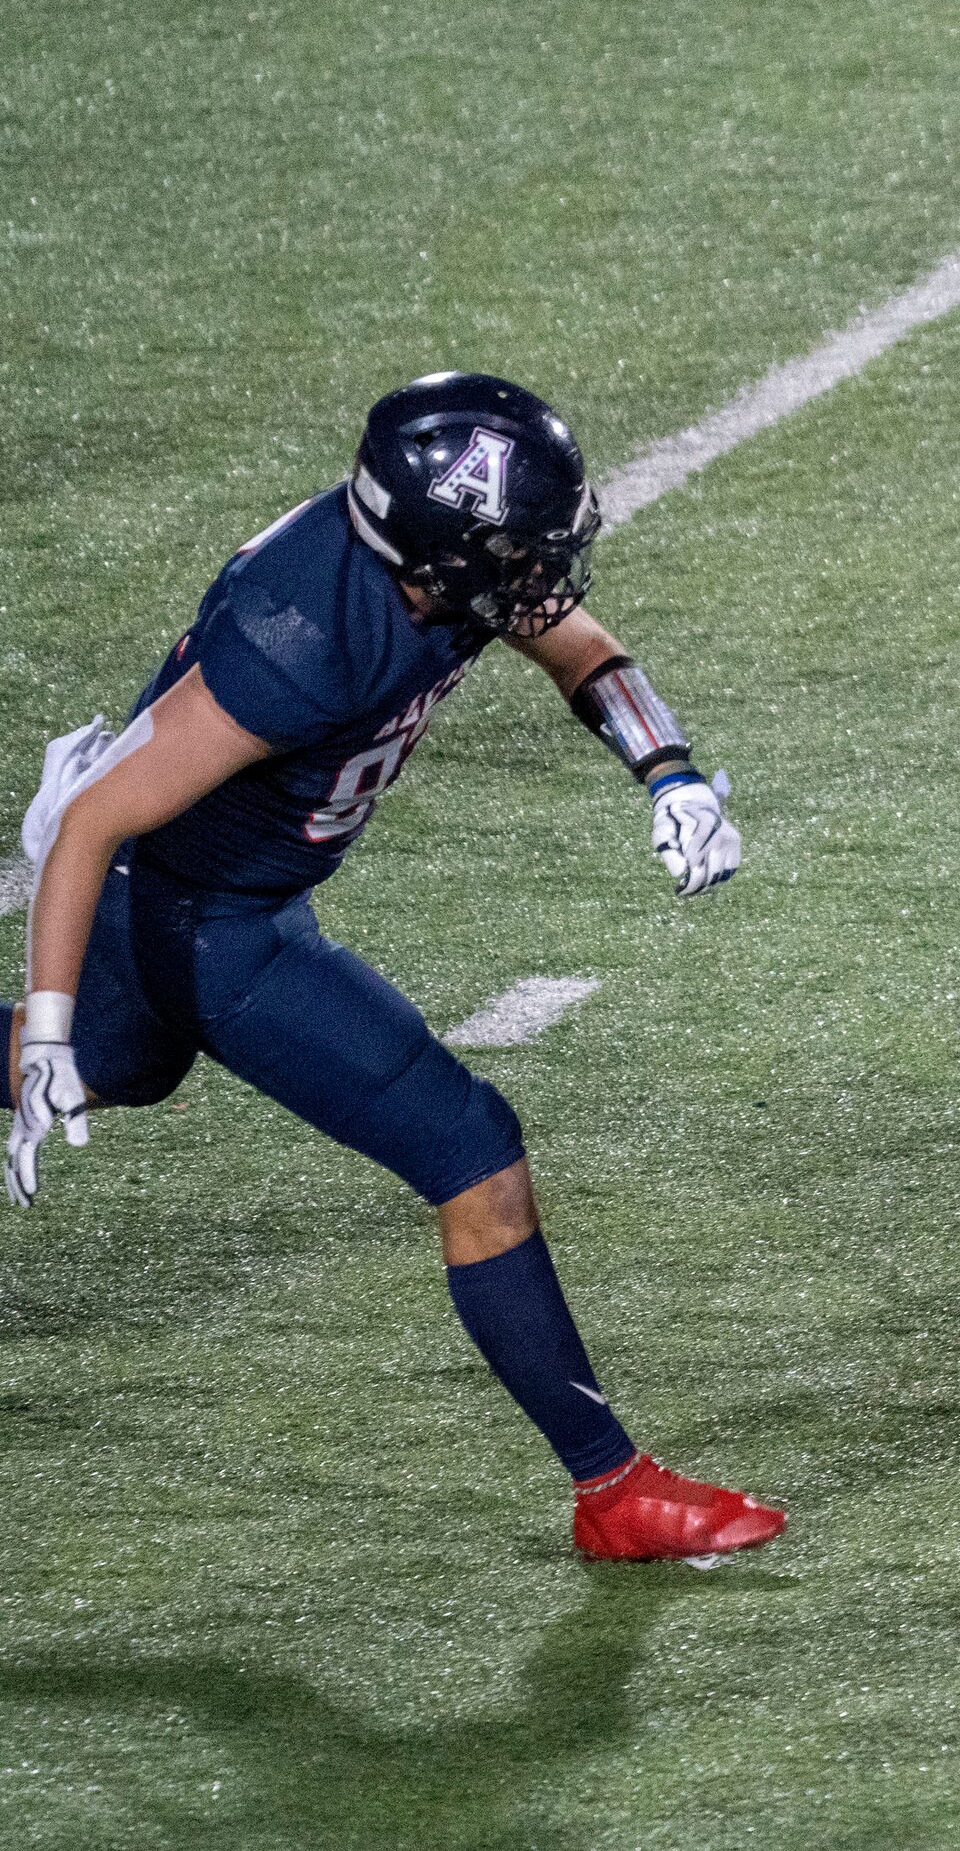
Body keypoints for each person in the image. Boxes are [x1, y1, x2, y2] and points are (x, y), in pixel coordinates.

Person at [8, 372, 781, 1563]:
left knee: (116, 1068)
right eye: (522, 548)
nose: (545, 568)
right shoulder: (308, 637)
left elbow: (582, 650)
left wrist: (667, 771)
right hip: (202, 916)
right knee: (475, 1154)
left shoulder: (429, 565)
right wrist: (52, 1019)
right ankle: (612, 1491)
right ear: (444, 554)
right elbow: (92, 824)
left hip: (198, 895)